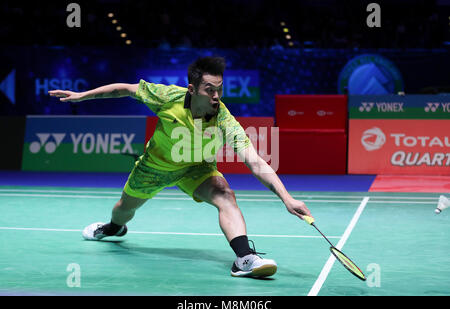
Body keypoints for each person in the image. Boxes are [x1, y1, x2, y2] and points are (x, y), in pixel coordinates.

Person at [48, 56, 313, 278]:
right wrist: (82, 96)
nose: (216, 96)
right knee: (123, 210)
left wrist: (286, 197)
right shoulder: (168, 97)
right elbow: (126, 89)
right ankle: (113, 228)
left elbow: (253, 159)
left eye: (219, 88)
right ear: (192, 88)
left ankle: (245, 258)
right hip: (154, 167)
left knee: (226, 195)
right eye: (209, 89)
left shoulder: (223, 117)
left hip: (197, 169)